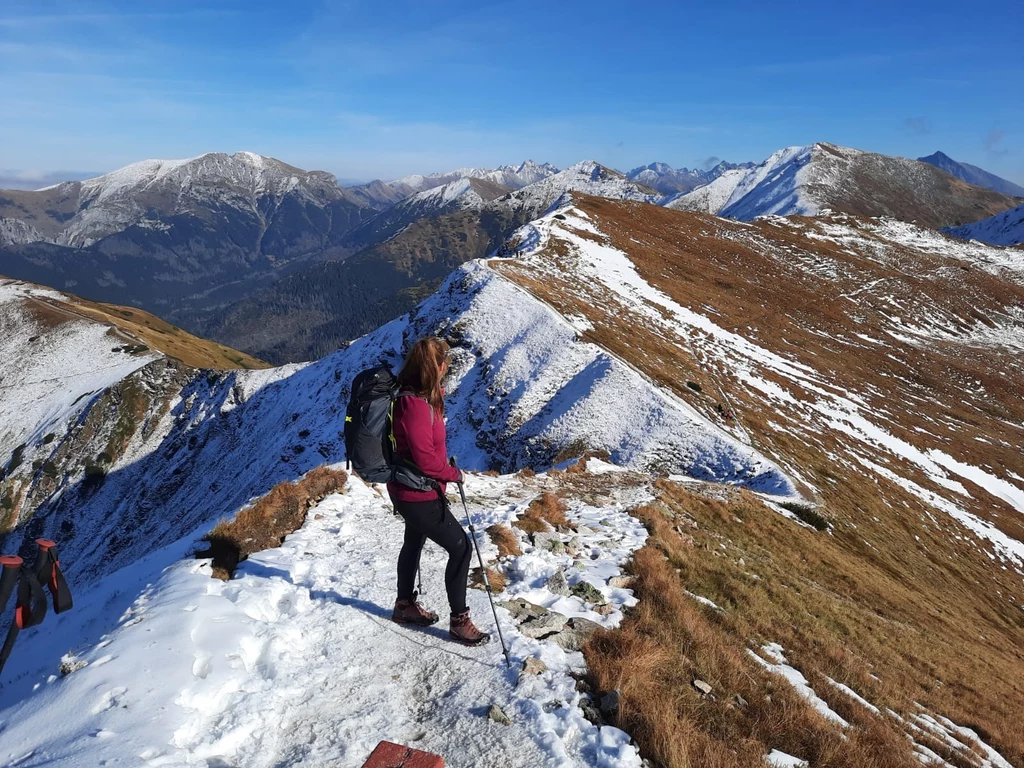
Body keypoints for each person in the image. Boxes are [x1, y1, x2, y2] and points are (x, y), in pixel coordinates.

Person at [387, 337, 491, 646]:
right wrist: (452, 473)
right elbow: (425, 459)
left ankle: (404, 605)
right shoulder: (415, 405)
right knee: (460, 548)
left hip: (408, 489)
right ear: (439, 366)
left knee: (414, 540)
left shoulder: (412, 397)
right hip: (417, 493)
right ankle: (460, 622)